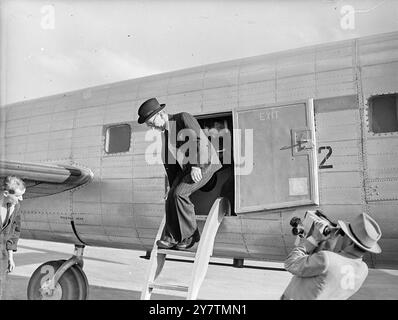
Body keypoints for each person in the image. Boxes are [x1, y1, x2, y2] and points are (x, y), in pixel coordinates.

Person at [138, 98, 222, 250]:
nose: (151, 128)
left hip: (204, 162)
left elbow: (197, 140)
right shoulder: (165, 134)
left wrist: (196, 165)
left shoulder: (182, 118)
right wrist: (171, 186)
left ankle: (191, 236)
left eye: (151, 123)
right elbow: (171, 164)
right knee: (171, 195)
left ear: (161, 114)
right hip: (188, 168)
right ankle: (172, 238)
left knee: (179, 194)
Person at [281, 212, 382, 300]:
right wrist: (330, 240)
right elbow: (326, 274)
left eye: (344, 234)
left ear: (351, 242)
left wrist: (313, 239)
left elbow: (291, 263)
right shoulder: (363, 270)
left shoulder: (327, 259)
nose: (342, 237)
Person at [0, 176, 26, 299]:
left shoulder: (16, 207)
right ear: (6, 193)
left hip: (2, 255)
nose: (21, 198)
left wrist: (10, 256)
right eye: (17, 195)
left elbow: (14, 232)